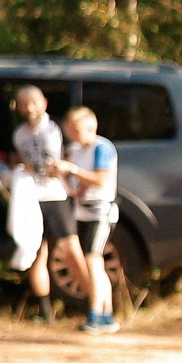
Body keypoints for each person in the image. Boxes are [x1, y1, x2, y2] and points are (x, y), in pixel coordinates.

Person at [6, 86, 75, 322]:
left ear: (44, 102)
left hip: (57, 195)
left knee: (70, 251)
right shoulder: (19, 134)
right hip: (31, 198)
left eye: (33, 102)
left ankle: (95, 305)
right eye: (24, 104)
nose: (29, 108)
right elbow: (18, 159)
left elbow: (73, 156)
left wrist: (65, 170)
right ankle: (46, 312)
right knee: (37, 252)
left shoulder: (57, 128)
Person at [61, 106, 121, 336]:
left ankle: (95, 313)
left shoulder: (101, 148)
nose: (73, 135)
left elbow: (99, 179)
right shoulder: (75, 149)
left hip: (101, 211)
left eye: (76, 130)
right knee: (95, 263)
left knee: (93, 260)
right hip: (81, 210)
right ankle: (106, 314)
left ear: (90, 127)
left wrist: (72, 169)